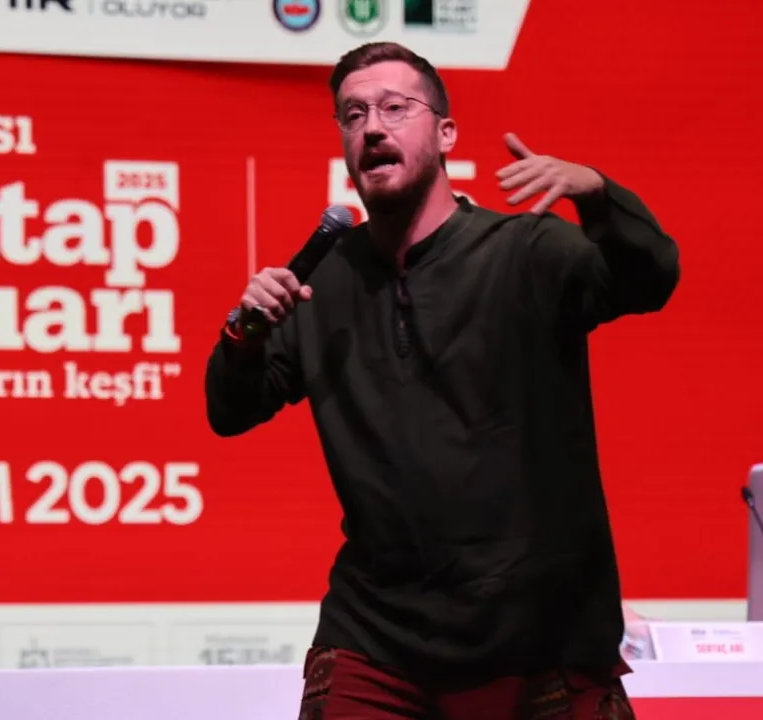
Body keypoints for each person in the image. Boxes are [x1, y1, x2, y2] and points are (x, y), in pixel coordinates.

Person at [203, 42, 679, 720]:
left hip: (541, 636)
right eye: (353, 115)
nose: (372, 127)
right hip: (378, 636)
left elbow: (651, 279)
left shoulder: (527, 251)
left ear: (446, 133)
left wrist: (600, 194)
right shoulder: (321, 282)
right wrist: (246, 331)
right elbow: (230, 409)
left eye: (395, 108)